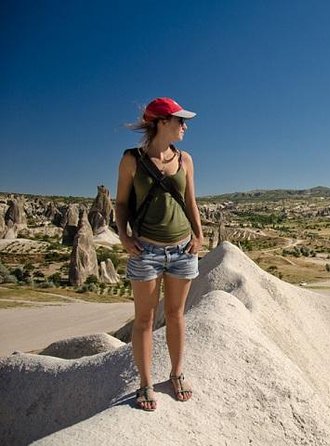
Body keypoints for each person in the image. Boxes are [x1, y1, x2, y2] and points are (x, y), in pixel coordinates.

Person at [115, 97, 204, 411]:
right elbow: (121, 203)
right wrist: (124, 236)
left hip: (182, 249)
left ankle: (177, 374)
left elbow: (190, 201)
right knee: (144, 320)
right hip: (145, 250)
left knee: (176, 316)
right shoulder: (132, 159)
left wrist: (199, 234)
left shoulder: (186, 160)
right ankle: (145, 383)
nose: (184, 126)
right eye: (179, 120)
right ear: (161, 123)